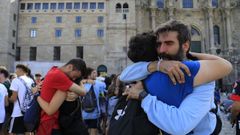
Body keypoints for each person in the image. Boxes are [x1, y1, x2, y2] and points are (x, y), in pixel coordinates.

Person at [120, 20, 232, 134]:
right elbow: (124, 75)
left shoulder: (195, 72)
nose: (162, 50)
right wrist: (157, 65)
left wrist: (143, 96)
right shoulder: (156, 70)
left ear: (185, 45)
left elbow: (180, 125)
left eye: (169, 43)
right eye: (159, 44)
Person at [36, 59, 87, 135]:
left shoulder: (54, 69)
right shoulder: (59, 76)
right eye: (74, 76)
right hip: (50, 123)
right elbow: (83, 92)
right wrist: (37, 97)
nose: (73, 79)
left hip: (47, 121)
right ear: (70, 67)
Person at [8, 64, 35, 135]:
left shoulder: (15, 80)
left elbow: (13, 98)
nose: (15, 72)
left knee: (12, 132)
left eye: (16, 70)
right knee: (28, 132)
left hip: (18, 112)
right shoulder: (31, 80)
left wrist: (8, 99)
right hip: (29, 112)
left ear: (20, 70)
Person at [82, 67, 106, 135]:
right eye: (94, 73)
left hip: (83, 113)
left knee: (84, 130)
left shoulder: (81, 84)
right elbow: (104, 86)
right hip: (94, 112)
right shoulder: (97, 83)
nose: (96, 74)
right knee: (93, 129)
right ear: (89, 75)